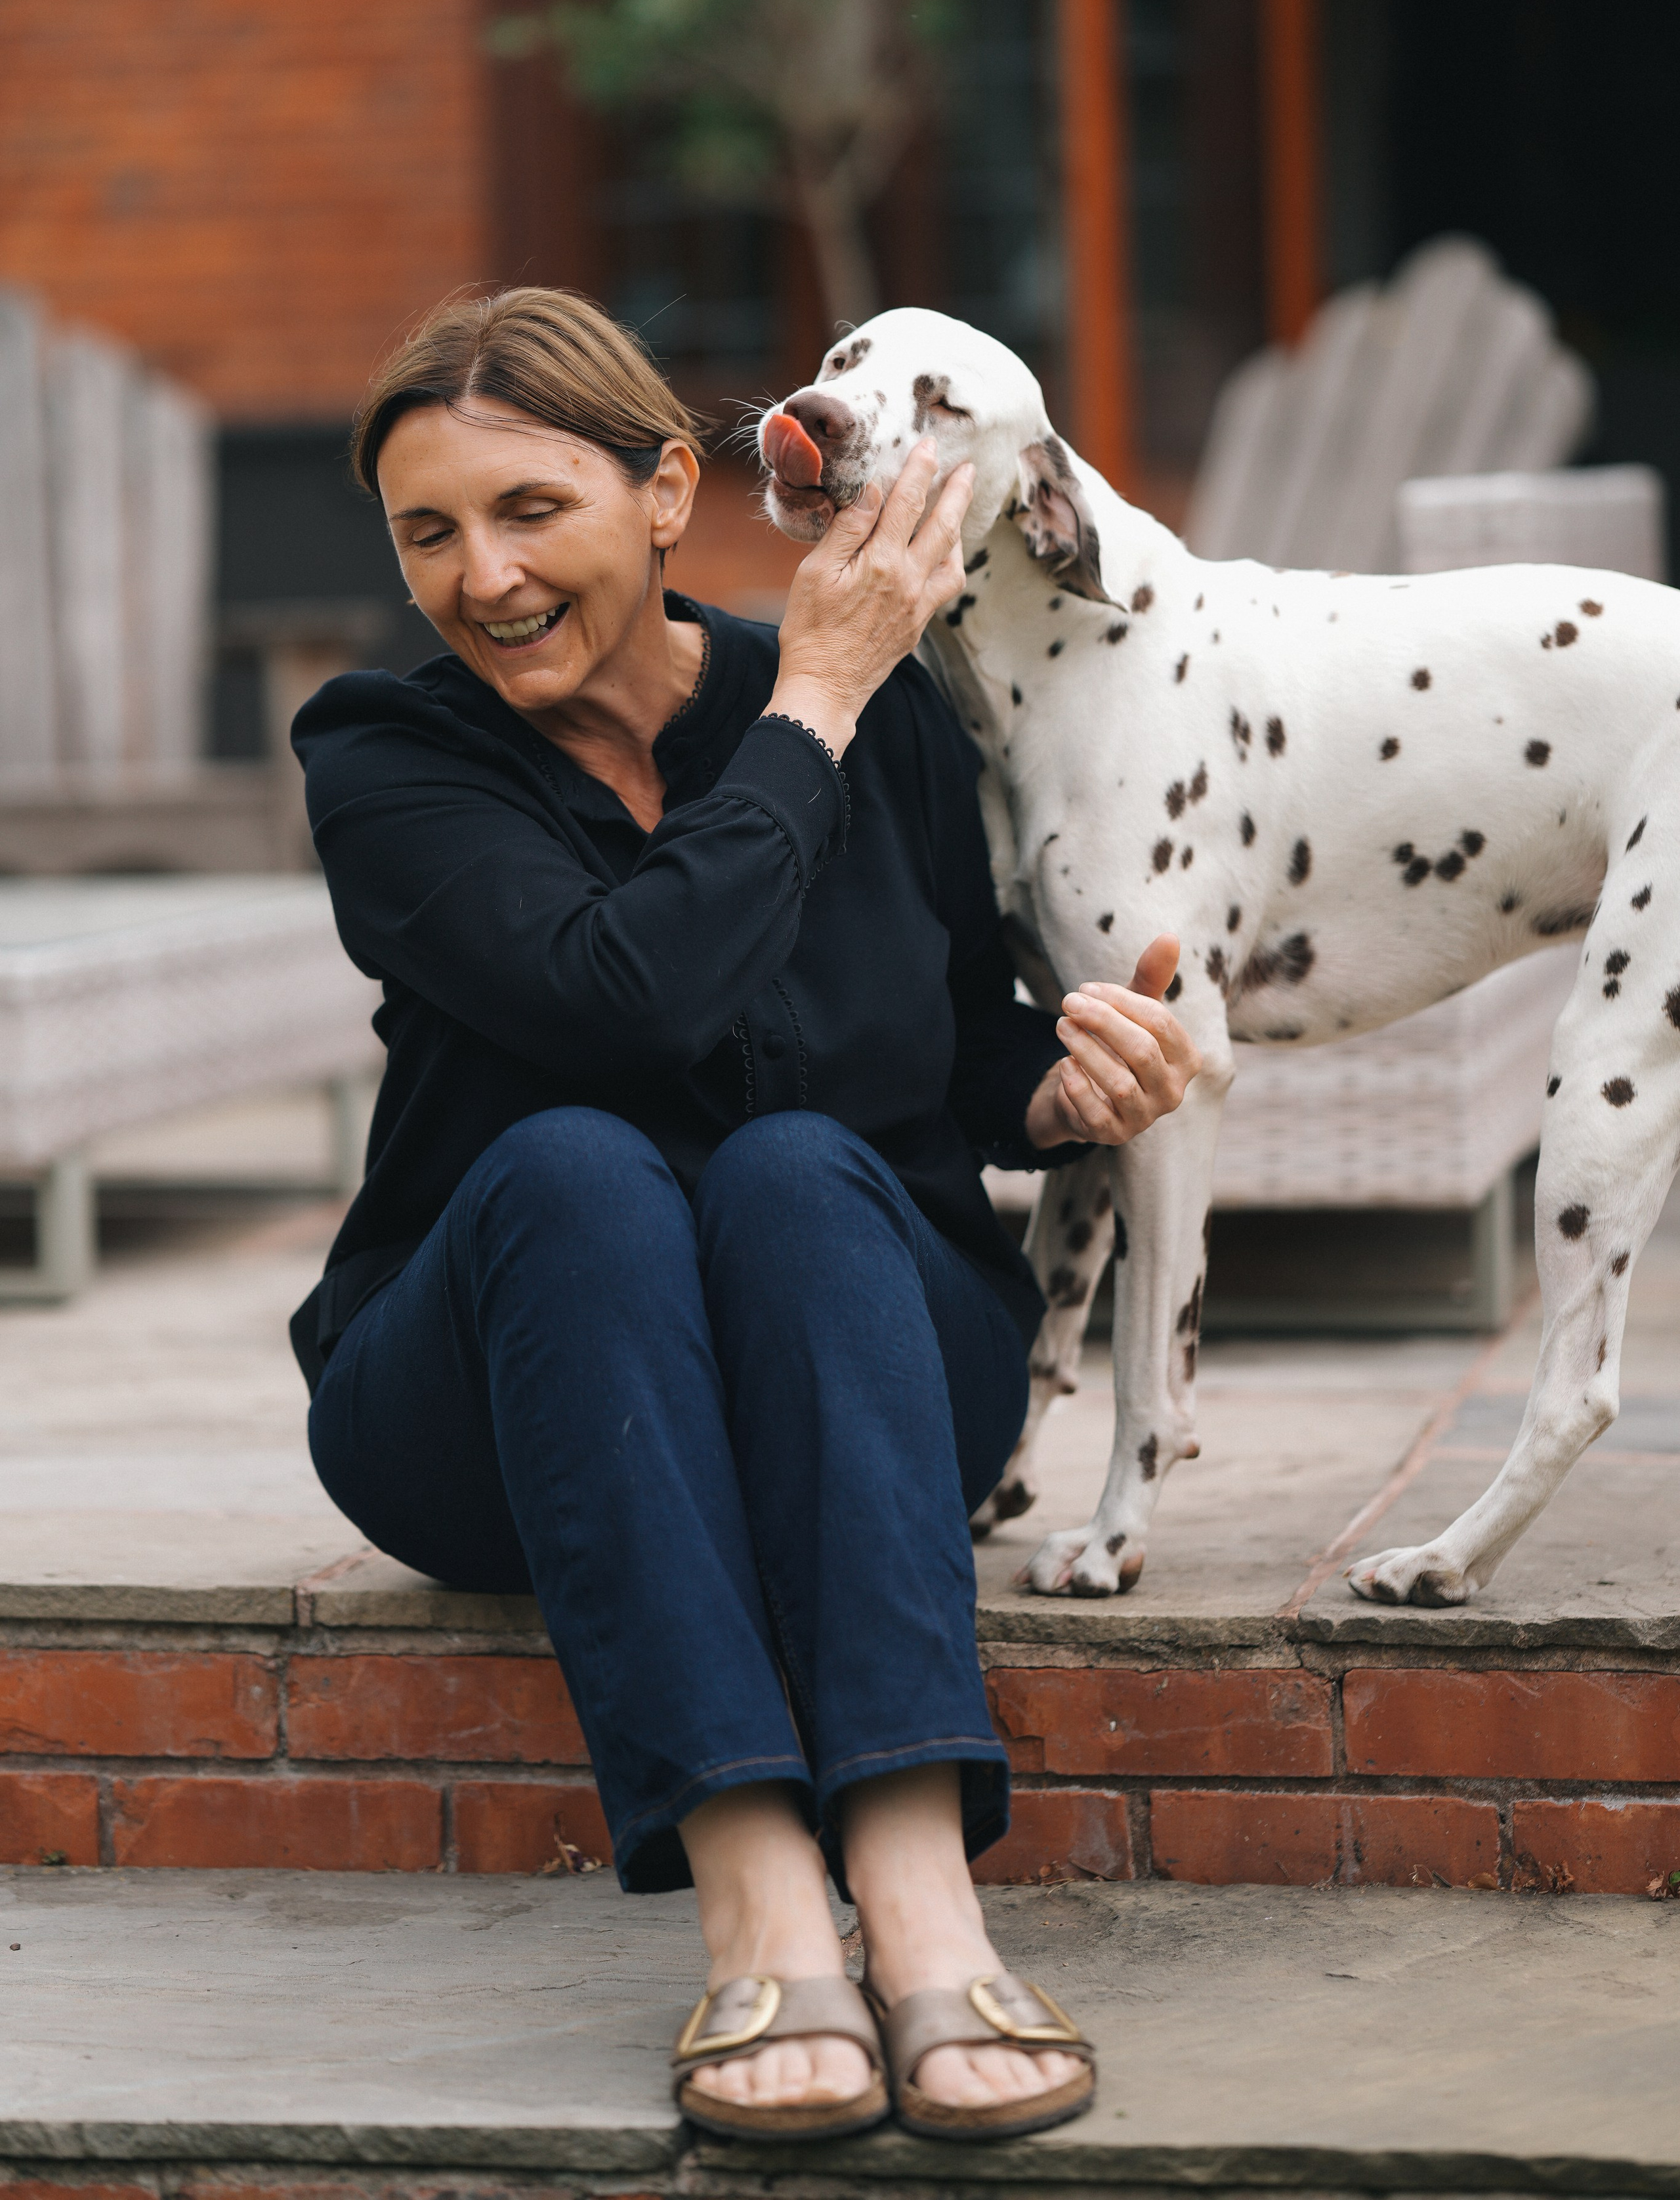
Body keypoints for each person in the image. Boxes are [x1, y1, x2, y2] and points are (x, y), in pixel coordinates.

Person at [292, 288, 1200, 2144]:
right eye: (430, 532)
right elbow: (628, 1004)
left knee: (792, 1169)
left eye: (530, 510)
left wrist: (1064, 1080)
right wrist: (814, 699)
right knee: (566, 1161)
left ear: (662, 492)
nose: (483, 577)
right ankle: (754, 1888)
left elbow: (944, 1052)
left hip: (850, 1350)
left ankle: (915, 1882)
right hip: (491, 1392)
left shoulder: (895, 723)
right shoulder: (387, 760)